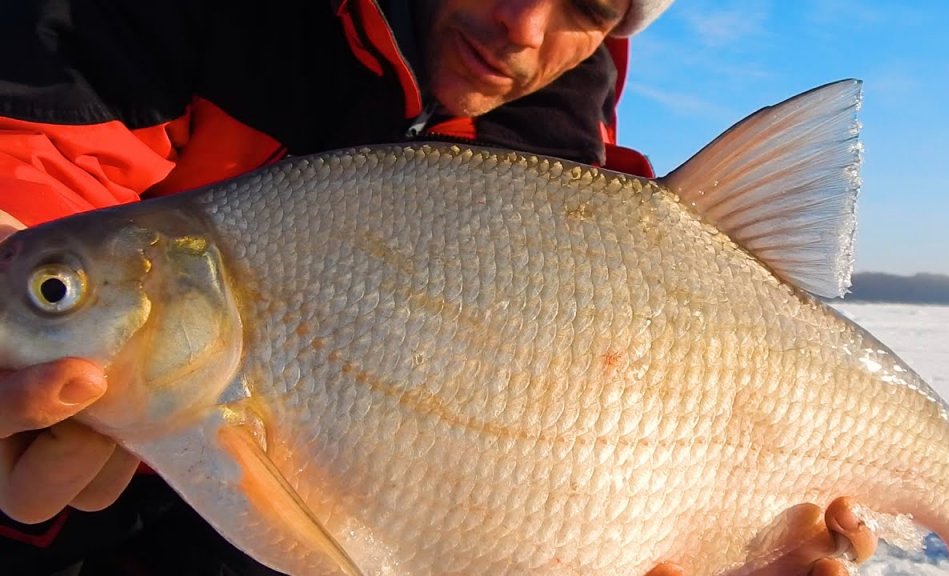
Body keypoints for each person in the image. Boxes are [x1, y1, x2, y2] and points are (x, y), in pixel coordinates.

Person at [0, 0, 876, 574]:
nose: (524, 27)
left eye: (587, 8)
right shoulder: (185, 19)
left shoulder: (567, 175)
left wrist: (724, 537)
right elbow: (33, 168)